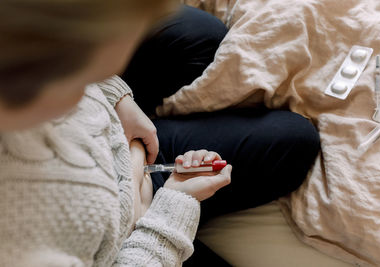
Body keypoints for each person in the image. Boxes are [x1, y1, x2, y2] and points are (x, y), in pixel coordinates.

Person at [0, 2, 320, 267]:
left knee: (203, 38)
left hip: (123, 156)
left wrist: (118, 98)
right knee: (291, 142)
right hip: (136, 223)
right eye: (91, 74)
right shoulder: (29, 247)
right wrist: (176, 202)